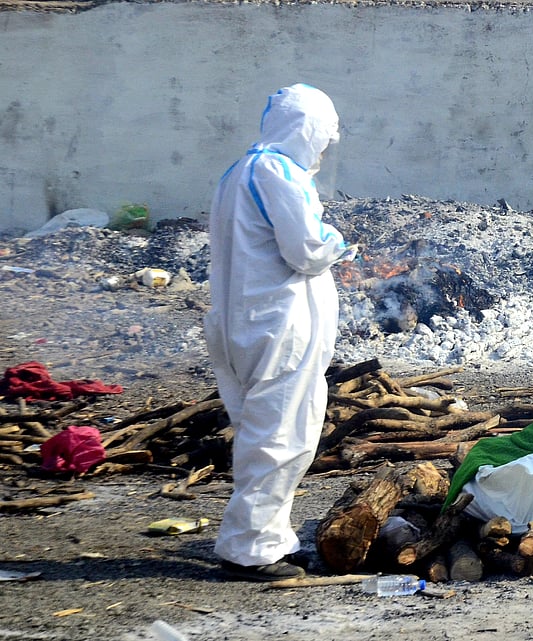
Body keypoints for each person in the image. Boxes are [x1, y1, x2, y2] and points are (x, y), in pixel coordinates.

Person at [205, 84, 358, 581]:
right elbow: (306, 249)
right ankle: (249, 548)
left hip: (244, 323)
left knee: (263, 433)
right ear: (308, 128)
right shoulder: (279, 172)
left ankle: (268, 537)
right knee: (280, 438)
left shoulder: (240, 170)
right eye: (321, 135)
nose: (322, 148)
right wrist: (342, 243)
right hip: (278, 327)